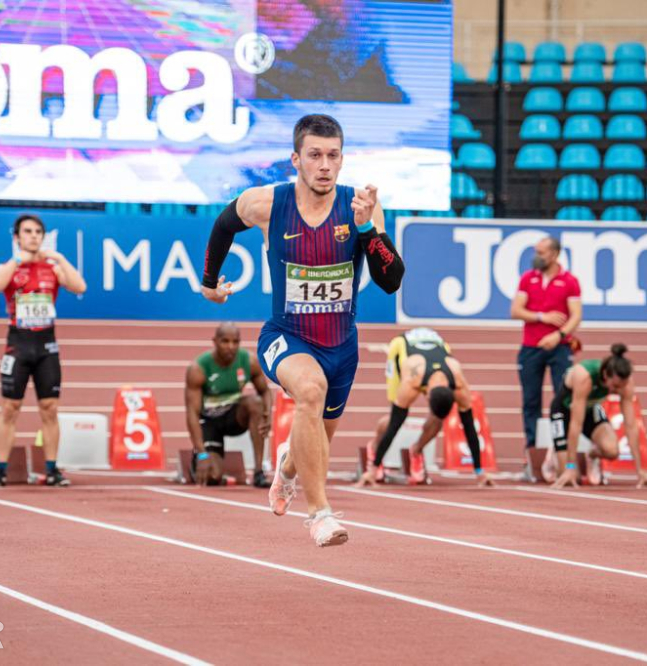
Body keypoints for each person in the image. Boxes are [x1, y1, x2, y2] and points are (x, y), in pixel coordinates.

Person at [200, 114, 404, 547]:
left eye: (332, 156)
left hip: (341, 348)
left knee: (317, 436)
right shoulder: (267, 203)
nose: (324, 165)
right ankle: (320, 515)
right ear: (296, 159)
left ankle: (287, 467)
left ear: (342, 160)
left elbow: (391, 281)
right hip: (285, 337)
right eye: (315, 155)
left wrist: (368, 230)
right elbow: (222, 225)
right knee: (309, 392)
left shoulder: (360, 207)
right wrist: (209, 283)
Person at [0, 214, 86, 487]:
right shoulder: (9, 267)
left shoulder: (52, 268)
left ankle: (52, 469)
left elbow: (79, 286)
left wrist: (60, 258)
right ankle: (0, 470)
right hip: (17, 345)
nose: (33, 236)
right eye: (27, 231)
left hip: (46, 346)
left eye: (38, 232)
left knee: (50, 408)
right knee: (10, 408)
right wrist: (18, 260)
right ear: (17, 237)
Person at [355, 327, 494, 487]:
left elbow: (469, 426)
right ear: (427, 396)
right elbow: (395, 425)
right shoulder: (411, 382)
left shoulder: (459, 385)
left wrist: (479, 472)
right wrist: (372, 470)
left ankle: (417, 450)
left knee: (437, 420)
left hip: (438, 347)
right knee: (396, 417)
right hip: (402, 348)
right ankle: (375, 452)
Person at [510, 236, 582, 480]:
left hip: (560, 348)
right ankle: (532, 456)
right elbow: (515, 310)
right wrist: (543, 317)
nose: (536, 256)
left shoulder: (569, 281)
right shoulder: (527, 278)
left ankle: (564, 454)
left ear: (554, 254)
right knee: (530, 403)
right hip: (531, 347)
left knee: (563, 401)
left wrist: (559, 334)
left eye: (540, 252)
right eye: (535, 251)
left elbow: (576, 316)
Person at [548, 344, 647, 489]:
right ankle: (555, 453)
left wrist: (641, 470)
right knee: (570, 477)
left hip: (591, 408)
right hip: (564, 411)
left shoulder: (625, 383)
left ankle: (592, 456)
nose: (617, 390)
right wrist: (569, 467)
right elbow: (576, 423)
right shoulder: (584, 377)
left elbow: (631, 425)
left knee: (612, 450)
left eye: (621, 386)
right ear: (606, 376)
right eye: (615, 386)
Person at [184, 323, 274, 488]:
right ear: (215, 341)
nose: (230, 347)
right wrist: (202, 454)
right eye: (225, 341)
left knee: (255, 403)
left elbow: (265, 392)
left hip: (234, 417)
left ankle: (259, 471)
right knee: (212, 478)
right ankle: (197, 461)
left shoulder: (249, 361)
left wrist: (267, 415)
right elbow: (192, 414)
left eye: (235, 342)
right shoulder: (198, 368)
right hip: (209, 421)